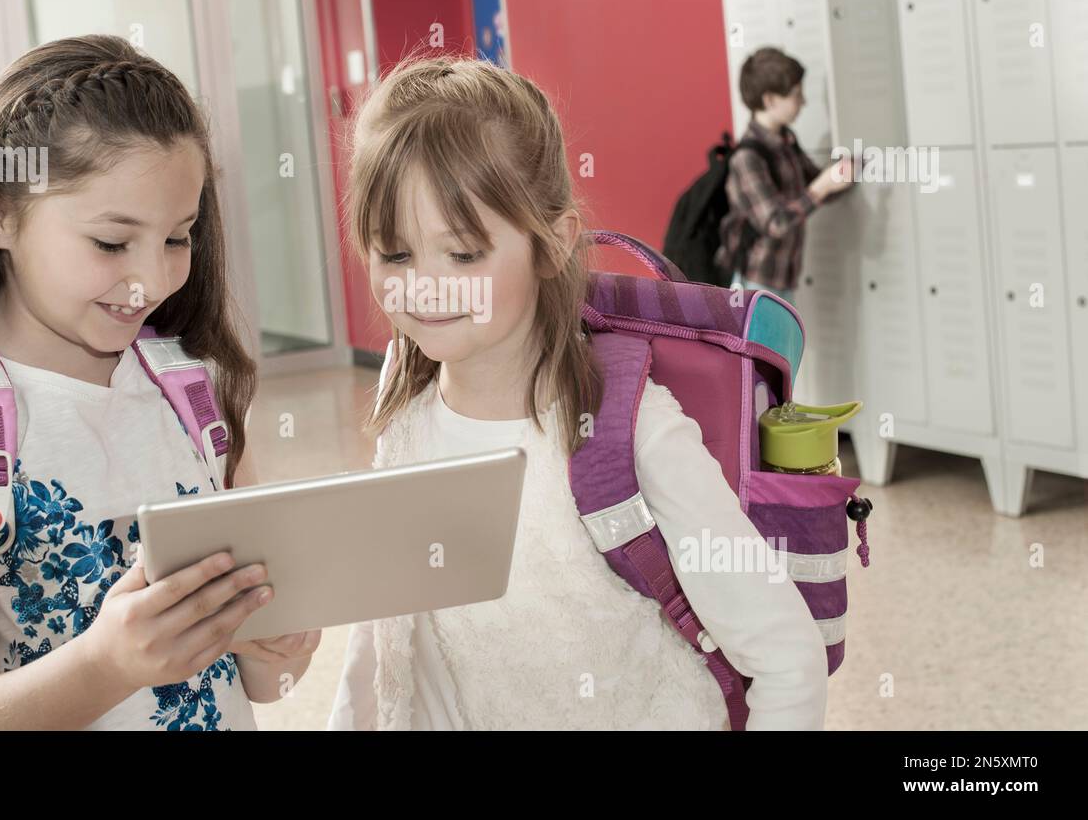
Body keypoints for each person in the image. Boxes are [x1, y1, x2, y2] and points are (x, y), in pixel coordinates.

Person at [0, 35, 319, 729]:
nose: (151, 280)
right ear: (0, 212)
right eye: (109, 242)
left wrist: (277, 646)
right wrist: (106, 665)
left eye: (178, 237)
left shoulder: (199, 392)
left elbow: (262, 683)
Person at [327, 54, 828, 730]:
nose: (424, 285)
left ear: (552, 243)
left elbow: (786, 659)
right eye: (394, 254)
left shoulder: (631, 430)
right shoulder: (405, 419)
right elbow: (389, 644)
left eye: (464, 253)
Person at [716, 47, 855, 304]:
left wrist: (846, 175)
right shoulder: (747, 157)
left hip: (783, 277)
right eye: (796, 95)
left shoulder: (785, 141)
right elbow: (776, 223)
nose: (803, 101)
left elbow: (815, 186)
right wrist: (822, 188)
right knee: (765, 346)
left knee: (782, 345)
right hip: (757, 282)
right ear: (770, 100)